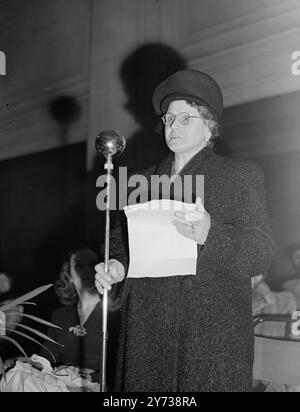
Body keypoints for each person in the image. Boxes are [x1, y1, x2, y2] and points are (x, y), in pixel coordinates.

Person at [95, 69, 274, 392]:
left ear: (209, 127)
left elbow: (261, 252)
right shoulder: (143, 182)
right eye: (168, 119)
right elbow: (122, 248)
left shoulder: (239, 176)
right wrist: (116, 268)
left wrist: (212, 235)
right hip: (147, 336)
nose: (173, 126)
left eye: (185, 119)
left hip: (210, 341)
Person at [40, 249, 120, 386]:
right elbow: (44, 360)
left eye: (92, 264)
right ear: (68, 274)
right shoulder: (60, 315)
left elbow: (121, 366)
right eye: (78, 266)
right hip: (60, 386)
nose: (87, 271)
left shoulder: (115, 313)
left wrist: (83, 375)